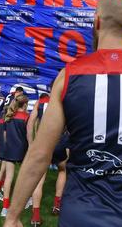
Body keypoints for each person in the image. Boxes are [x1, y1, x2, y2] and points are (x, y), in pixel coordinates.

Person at [3, 0, 122, 227]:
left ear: (96, 22)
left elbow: (39, 155)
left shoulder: (69, 76)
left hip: (79, 213)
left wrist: (13, 216)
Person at [27, 93, 70, 225]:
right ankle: (57, 204)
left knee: (39, 179)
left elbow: (30, 123)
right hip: (59, 141)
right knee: (62, 170)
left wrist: (31, 144)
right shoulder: (65, 101)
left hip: (42, 142)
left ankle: (35, 216)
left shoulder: (40, 102)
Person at [0, 87, 26, 199]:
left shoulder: (7, 114)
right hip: (14, 147)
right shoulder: (14, 115)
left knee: (4, 171)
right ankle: (23, 196)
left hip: (6, 147)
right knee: (14, 173)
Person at [0, 94, 31, 217]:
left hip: (9, 149)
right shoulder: (26, 117)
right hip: (22, 149)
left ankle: (5, 208)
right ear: (25, 104)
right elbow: (29, 136)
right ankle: (26, 200)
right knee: (25, 177)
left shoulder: (9, 116)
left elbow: (5, 136)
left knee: (8, 178)